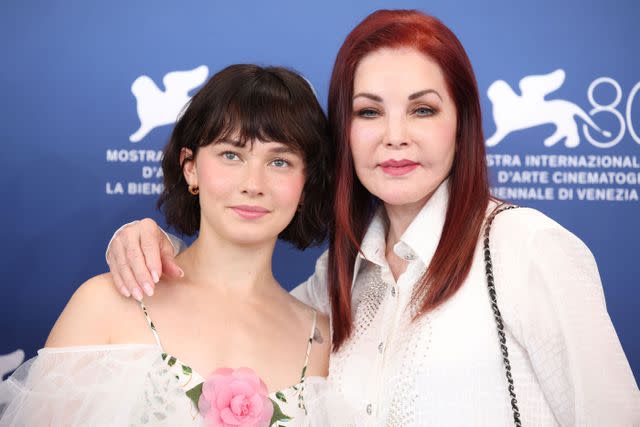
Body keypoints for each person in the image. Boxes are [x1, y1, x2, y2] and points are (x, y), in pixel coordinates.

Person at [104, 10, 640, 426]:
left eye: (423, 109)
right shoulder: (339, 278)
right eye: (369, 111)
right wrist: (148, 240)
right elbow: (236, 308)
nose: (395, 135)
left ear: (463, 124)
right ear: (344, 131)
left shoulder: (525, 249)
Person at [0, 64, 335, 426]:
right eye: (231, 155)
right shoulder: (107, 305)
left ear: (305, 183)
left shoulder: (321, 341)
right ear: (190, 167)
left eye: (280, 161)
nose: (253, 183)